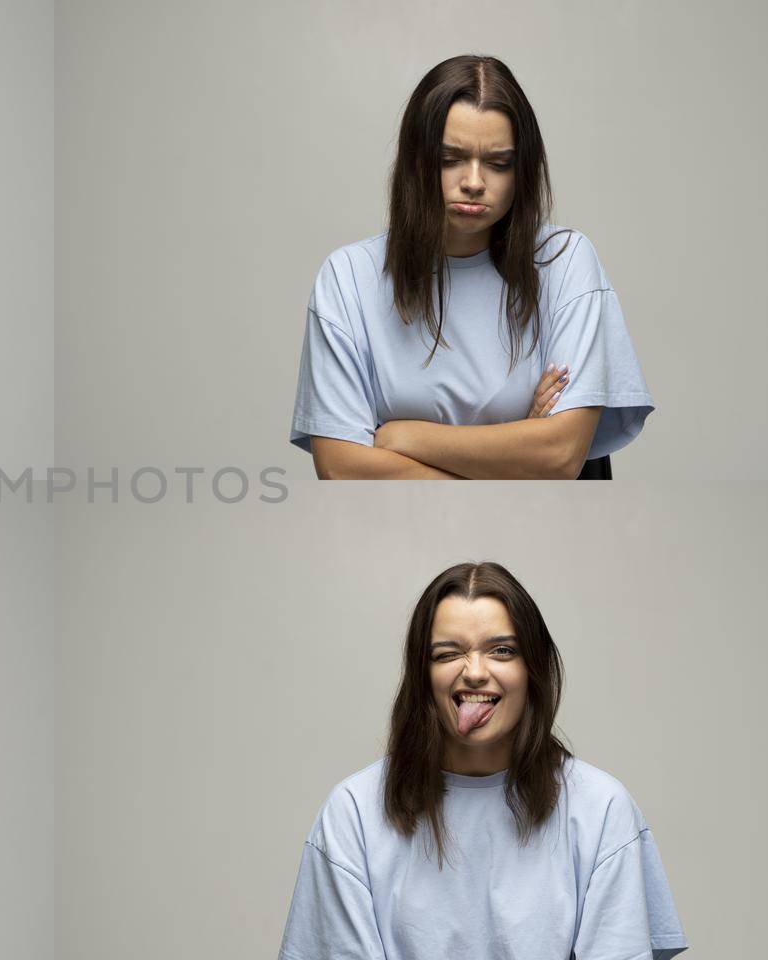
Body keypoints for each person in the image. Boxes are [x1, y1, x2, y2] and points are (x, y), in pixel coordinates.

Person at [277, 561, 686, 959]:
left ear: (533, 670)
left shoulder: (602, 809)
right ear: (423, 676)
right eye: (447, 653)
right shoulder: (352, 813)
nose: (474, 672)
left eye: (502, 651)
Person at [290, 55, 651, 479]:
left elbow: (558, 455)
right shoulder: (348, 278)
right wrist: (516, 449)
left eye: (499, 163)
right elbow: (342, 469)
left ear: (522, 170)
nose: (475, 182)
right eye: (450, 159)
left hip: (534, 525)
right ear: (416, 161)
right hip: (407, 526)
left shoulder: (564, 260)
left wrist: (402, 436)